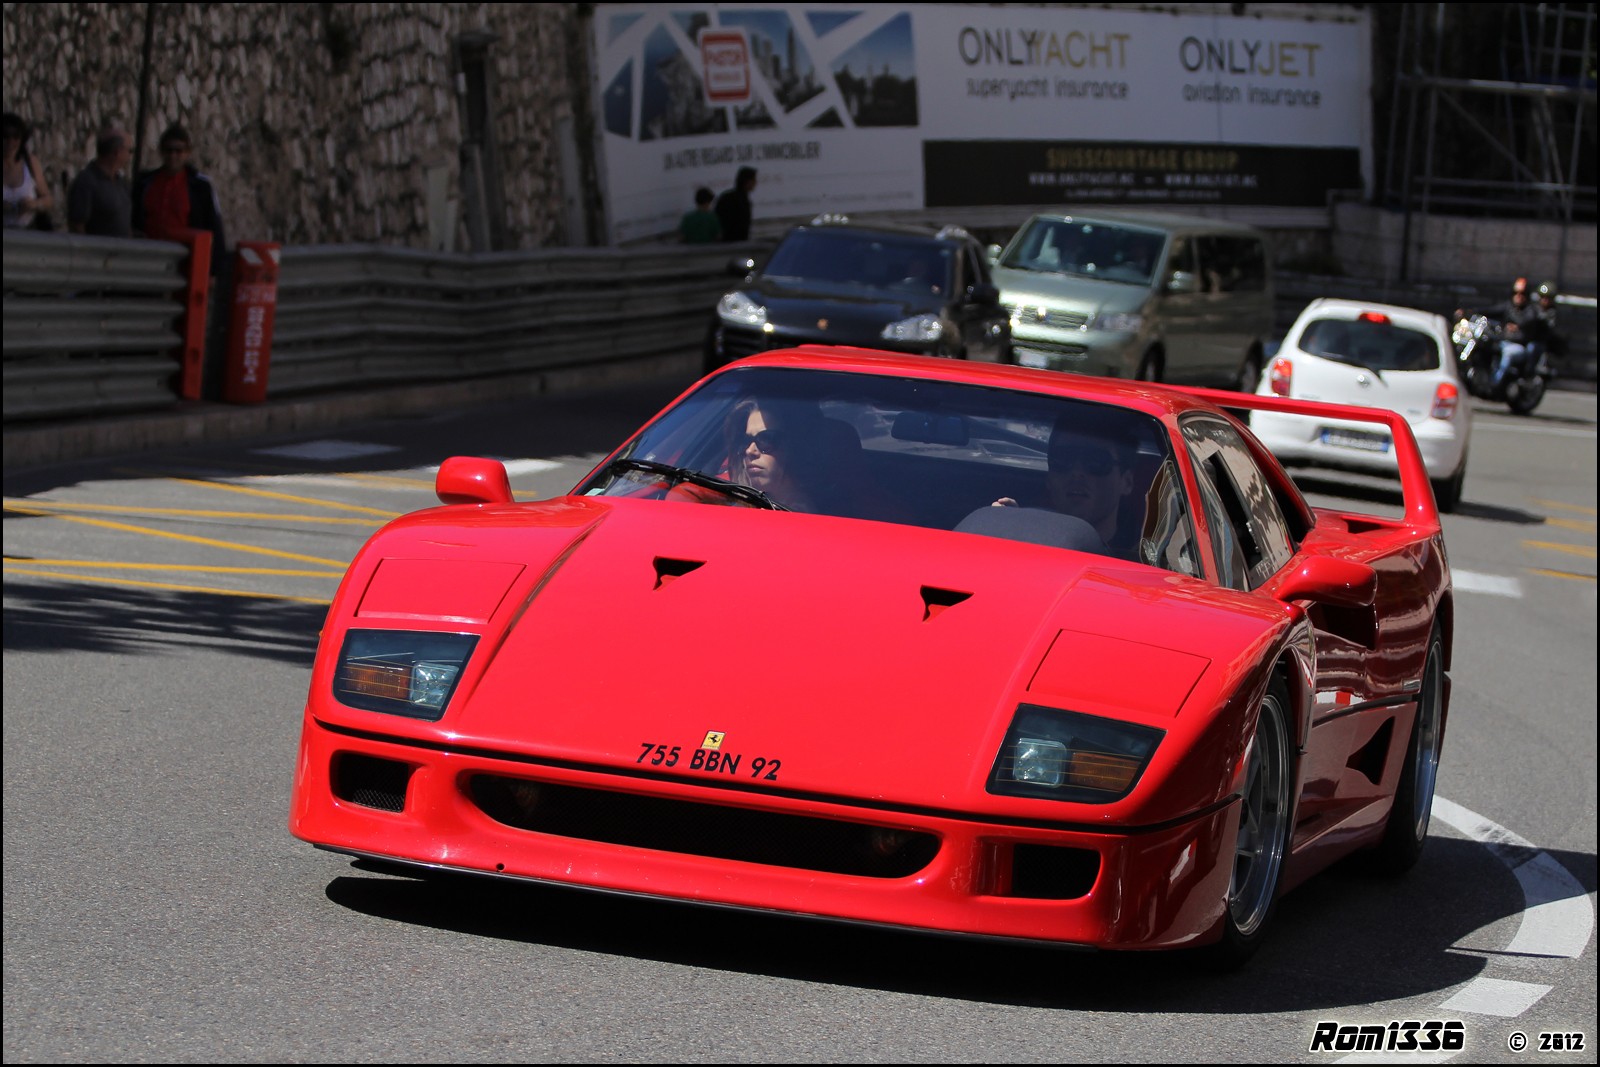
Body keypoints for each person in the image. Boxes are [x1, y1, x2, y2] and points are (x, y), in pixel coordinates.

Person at [993, 410, 1141, 556]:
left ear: (1126, 482)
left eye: (1096, 462)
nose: (1077, 472)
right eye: (1063, 459)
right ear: (1049, 477)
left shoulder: (1146, 559)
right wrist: (1011, 529)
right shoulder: (1024, 538)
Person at [132, 122, 226, 259]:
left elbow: (213, 225)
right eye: (169, 150)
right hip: (148, 255)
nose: (173, 155)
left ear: (188, 152)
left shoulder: (200, 187)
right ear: (161, 152)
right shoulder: (144, 183)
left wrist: (213, 270)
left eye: (179, 151)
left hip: (184, 258)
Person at [726, 396, 822, 512]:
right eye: (744, 440)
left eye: (765, 439)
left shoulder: (803, 515)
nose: (750, 450)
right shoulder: (732, 498)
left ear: (790, 446)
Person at [67, 122, 132, 237]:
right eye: (128, 151)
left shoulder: (121, 183)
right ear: (117, 152)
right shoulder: (87, 182)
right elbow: (77, 225)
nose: (129, 156)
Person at [3, 112, 55, 231]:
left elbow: (48, 199)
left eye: (16, 137)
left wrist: (34, 204)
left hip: (27, 233)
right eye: (5, 137)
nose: (10, 143)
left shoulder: (30, 162)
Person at [714, 166, 757, 242]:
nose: (755, 183)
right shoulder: (742, 201)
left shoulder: (725, 197)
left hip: (724, 244)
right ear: (747, 182)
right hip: (737, 244)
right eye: (754, 180)